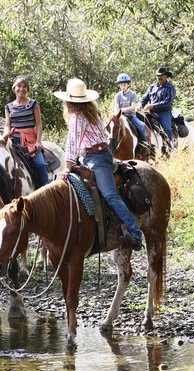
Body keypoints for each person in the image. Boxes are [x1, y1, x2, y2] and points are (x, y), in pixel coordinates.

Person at [54, 78, 143, 251]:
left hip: (96, 159)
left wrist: (67, 167)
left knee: (110, 195)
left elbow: (72, 144)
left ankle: (135, 232)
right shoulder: (92, 113)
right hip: (100, 155)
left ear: (68, 102)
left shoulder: (77, 118)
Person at [3, 75, 48, 187]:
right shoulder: (8, 107)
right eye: (19, 86)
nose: (21, 89)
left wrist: (38, 141)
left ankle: (45, 189)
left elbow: (38, 124)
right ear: (14, 88)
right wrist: (4, 138)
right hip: (15, 140)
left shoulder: (33, 104)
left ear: (27, 89)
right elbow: (7, 126)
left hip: (31, 140)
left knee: (40, 164)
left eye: (24, 86)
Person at [114, 73, 150, 157]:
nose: (123, 86)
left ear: (128, 84)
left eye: (124, 84)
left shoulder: (133, 94)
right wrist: (116, 115)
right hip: (120, 116)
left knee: (140, 125)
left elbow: (133, 107)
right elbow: (116, 107)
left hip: (131, 116)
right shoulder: (118, 95)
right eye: (121, 85)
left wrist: (123, 109)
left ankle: (145, 145)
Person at [139, 67, 176, 147]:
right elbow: (145, 98)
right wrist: (140, 105)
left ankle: (171, 146)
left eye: (161, 76)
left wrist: (154, 105)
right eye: (158, 76)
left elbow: (168, 101)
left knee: (166, 128)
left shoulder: (170, 87)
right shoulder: (152, 87)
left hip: (164, 112)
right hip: (151, 112)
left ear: (166, 76)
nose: (159, 77)